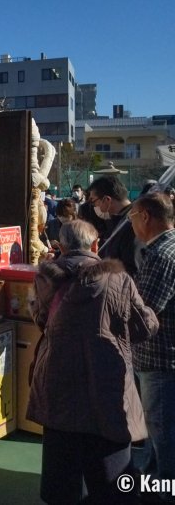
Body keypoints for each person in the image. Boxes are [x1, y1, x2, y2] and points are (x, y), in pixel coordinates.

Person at [27, 220, 158, 504]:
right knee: (112, 481)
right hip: (108, 382)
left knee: (61, 479)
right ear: (96, 245)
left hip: (58, 381)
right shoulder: (119, 279)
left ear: (59, 247)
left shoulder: (45, 278)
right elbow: (146, 326)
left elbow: (41, 321)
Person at [128, 192, 175, 495]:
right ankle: (154, 483)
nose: (131, 223)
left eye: (132, 217)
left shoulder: (161, 256)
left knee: (163, 434)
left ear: (145, 216)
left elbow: (143, 313)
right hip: (164, 357)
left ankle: (164, 491)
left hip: (159, 359)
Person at [87, 176, 139, 277]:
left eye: (93, 201)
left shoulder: (132, 222)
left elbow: (132, 267)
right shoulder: (116, 221)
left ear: (107, 199)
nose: (94, 206)